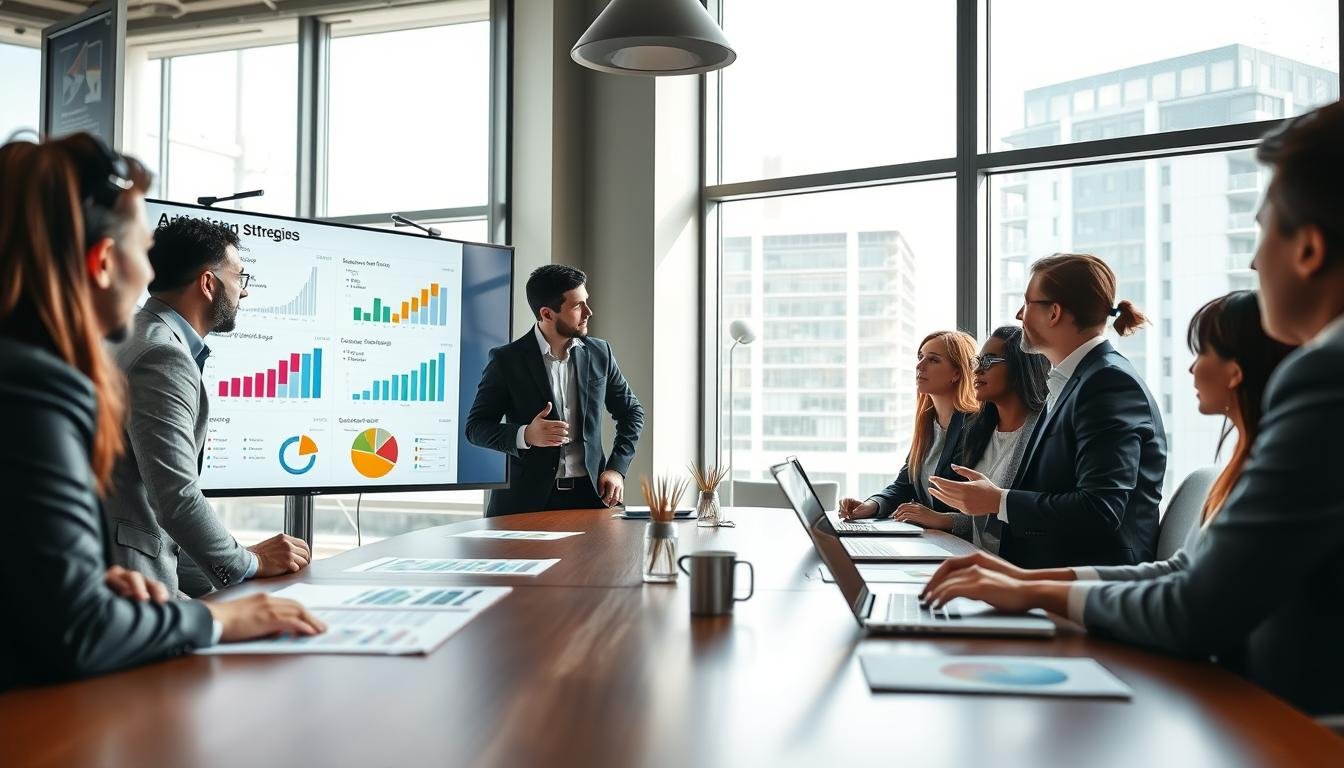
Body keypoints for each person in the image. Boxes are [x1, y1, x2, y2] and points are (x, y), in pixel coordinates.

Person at [921, 101, 1344, 715]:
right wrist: (1026, 585)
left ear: (1307, 248)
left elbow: (1188, 596)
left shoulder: (1323, 376)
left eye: (1260, 230)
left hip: (1286, 720)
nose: (1253, 262)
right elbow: (1188, 570)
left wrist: (1033, 589)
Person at [0, 133, 323, 690]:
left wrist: (88, 580)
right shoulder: (40, 384)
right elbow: (170, 500)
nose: (146, 272)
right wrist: (220, 613)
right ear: (103, 262)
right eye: (139, 247)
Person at [103, 216, 311, 599]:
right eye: (240, 278)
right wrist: (247, 562)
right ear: (208, 282)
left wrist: (218, 583)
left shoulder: (130, 334)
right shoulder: (162, 355)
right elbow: (175, 497)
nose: (243, 293)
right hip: (135, 583)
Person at [927, 254, 1166, 568]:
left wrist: (997, 501)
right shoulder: (1072, 382)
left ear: (1053, 312)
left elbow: (1101, 509)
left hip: (1089, 586)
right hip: (1049, 572)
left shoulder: (1108, 383)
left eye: (1027, 303)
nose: (1018, 314)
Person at [466, 265, 644, 516]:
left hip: (592, 498)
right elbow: (475, 428)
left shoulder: (600, 353)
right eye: (577, 306)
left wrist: (616, 468)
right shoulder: (507, 360)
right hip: (524, 505)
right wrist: (526, 434)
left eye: (586, 302)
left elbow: (632, 413)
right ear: (547, 314)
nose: (588, 312)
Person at [901, 327, 1050, 553]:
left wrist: (943, 520)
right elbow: (979, 517)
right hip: (975, 560)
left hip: (1014, 569)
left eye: (989, 361)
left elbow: (1025, 515)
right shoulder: (977, 431)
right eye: (978, 361)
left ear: (1020, 366)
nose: (978, 370)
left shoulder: (1045, 432)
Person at [838, 331, 979, 529]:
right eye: (920, 357)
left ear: (957, 373)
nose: (919, 366)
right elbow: (905, 485)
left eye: (933, 360)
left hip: (959, 544)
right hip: (932, 538)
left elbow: (982, 512)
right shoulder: (928, 424)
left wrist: (937, 518)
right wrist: (871, 505)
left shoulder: (976, 425)